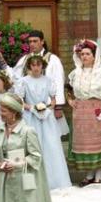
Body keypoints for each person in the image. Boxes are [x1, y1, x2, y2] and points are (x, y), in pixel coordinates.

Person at [0, 31, 69, 138]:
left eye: (35, 41)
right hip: (29, 108)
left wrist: (58, 107)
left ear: (42, 42)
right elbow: (16, 79)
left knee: (49, 137)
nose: (32, 44)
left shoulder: (53, 59)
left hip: (48, 108)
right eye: (30, 42)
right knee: (30, 137)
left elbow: (58, 82)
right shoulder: (25, 59)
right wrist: (2, 61)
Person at [18, 54, 71, 190]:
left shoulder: (48, 80)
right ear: (29, 66)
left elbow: (53, 100)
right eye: (33, 65)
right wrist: (32, 108)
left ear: (43, 66)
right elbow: (20, 101)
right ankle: (32, 180)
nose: (36, 68)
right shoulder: (24, 81)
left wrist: (47, 108)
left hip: (46, 116)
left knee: (50, 145)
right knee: (32, 145)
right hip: (30, 116)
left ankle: (53, 180)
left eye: (39, 65)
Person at [67, 40, 101, 185]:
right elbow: (68, 89)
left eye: (88, 54)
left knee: (98, 144)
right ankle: (89, 175)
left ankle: (98, 176)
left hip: (96, 112)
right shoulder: (75, 73)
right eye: (82, 54)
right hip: (80, 114)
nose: (84, 57)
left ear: (94, 56)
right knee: (85, 145)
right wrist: (70, 101)